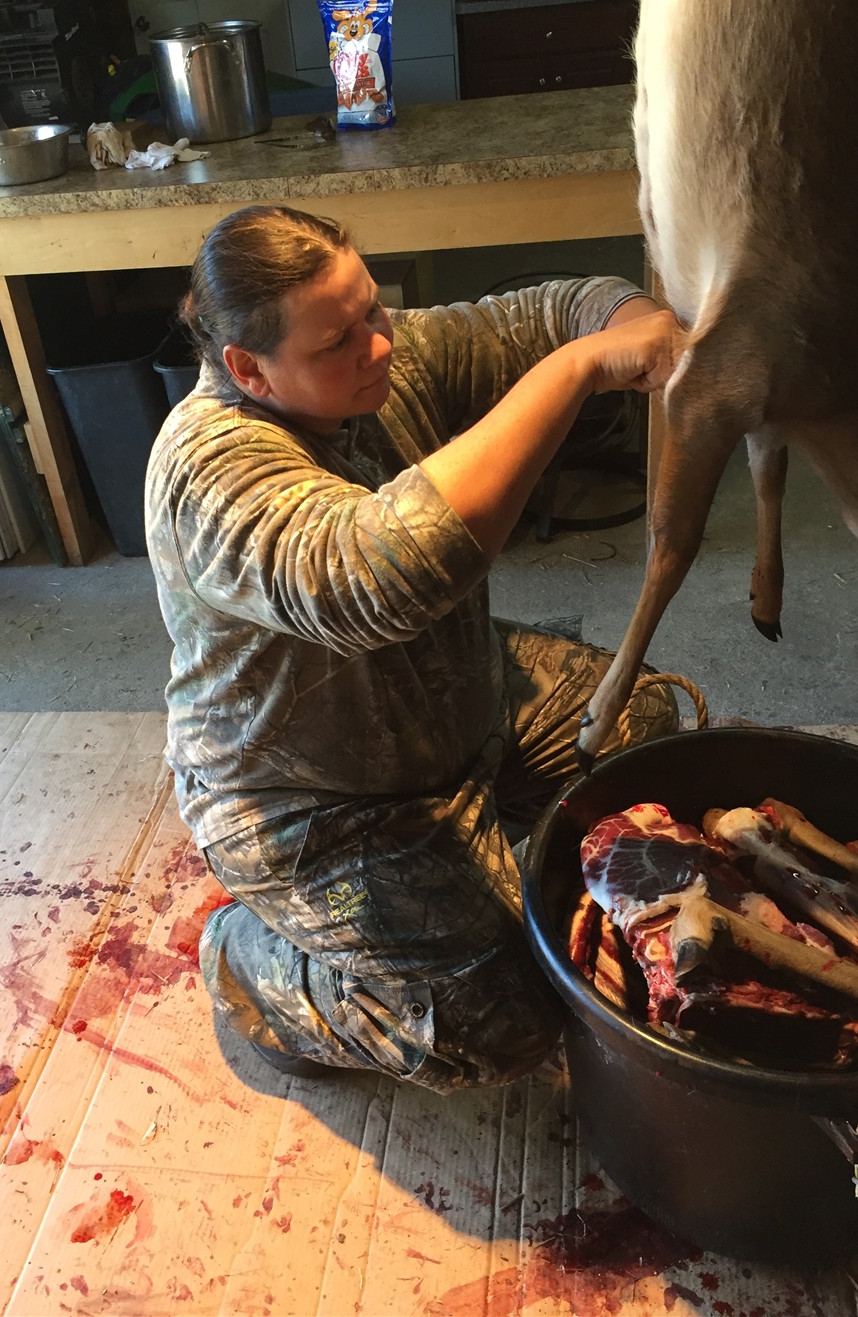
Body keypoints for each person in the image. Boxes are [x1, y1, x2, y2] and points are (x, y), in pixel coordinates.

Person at [145, 204, 685, 1092]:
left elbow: (556, 309)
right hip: (309, 805)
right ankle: (250, 961)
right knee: (499, 1022)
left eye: (373, 307)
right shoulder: (208, 466)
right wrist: (580, 370)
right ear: (248, 368)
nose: (380, 344)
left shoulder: (379, 357)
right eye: (337, 340)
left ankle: (468, 874)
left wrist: (633, 323)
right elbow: (381, 579)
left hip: (450, 706)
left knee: (643, 724)